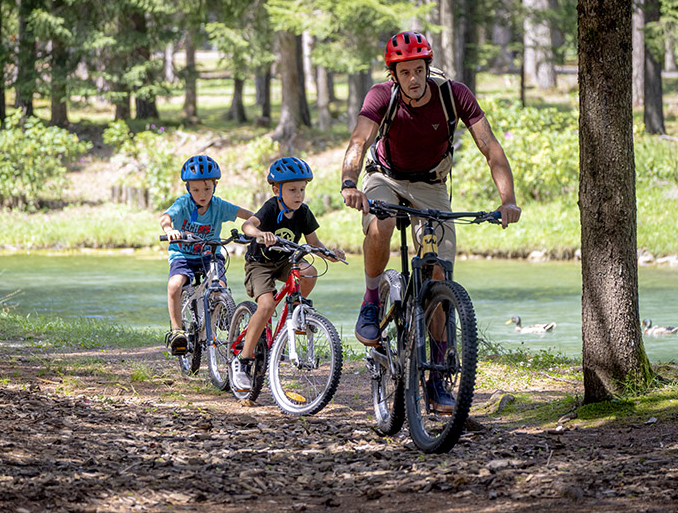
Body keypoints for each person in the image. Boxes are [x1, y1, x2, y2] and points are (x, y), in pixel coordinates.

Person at [340, 31, 522, 411]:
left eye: (419, 70)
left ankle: (438, 379)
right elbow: (359, 141)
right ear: (395, 75)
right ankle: (372, 298)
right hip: (384, 177)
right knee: (382, 223)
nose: (414, 78)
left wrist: (508, 200)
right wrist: (349, 184)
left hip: (432, 183)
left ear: (428, 68)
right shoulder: (380, 96)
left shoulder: (454, 95)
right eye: (405, 72)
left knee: (439, 274)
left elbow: (490, 147)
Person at [231, 156, 346, 391]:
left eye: (302, 189)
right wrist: (259, 234)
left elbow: (314, 242)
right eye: (292, 190)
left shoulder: (303, 212)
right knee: (265, 307)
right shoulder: (271, 207)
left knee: (310, 272)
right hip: (260, 264)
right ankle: (242, 361)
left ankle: (293, 314)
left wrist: (330, 254)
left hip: (286, 261)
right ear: (277, 189)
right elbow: (247, 225)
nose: (299, 195)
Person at [160, 154, 254, 355]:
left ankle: (222, 312)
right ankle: (177, 331)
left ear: (215, 186)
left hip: (211, 254)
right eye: (195, 190)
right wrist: (169, 230)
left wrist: (257, 227)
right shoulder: (183, 204)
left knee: (220, 288)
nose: (202, 194)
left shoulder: (218, 206)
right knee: (174, 285)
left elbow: (247, 215)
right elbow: (166, 217)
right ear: (188, 189)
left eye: (207, 189)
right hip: (183, 255)